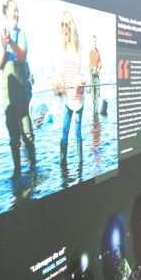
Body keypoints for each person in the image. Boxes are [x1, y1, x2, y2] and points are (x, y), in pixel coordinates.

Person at [0, 0, 36, 175]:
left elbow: (22, 56)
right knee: (14, 138)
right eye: (14, 10)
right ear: (6, 11)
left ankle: (34, 168)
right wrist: (4, 47)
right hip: (8, 98)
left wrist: (11, 42)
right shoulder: (1, 35)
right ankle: (17, 171)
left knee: (27, 134)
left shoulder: (21, 34)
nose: (16, 14)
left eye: (18, 10)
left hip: (22, 95)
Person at [56, 12, 85, 167]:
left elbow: (82, 73)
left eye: (66, 24)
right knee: (65, 129)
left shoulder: (79, 46)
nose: (64, 28)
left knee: (77, 130)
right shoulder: (61, 47)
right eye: (62, 25)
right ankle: (63, 164)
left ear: (71, 26)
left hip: (78, 96)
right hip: (67, 97)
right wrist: (58, 84)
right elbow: (60, 73)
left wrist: (81, 81)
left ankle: (80, 164)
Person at [89, 34, 102, 100]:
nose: (95, 43)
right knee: (92, 86)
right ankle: (93, 100)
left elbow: (100, 61)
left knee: (98, 85)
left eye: (95, 41)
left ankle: (98, 99)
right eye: (93, 41)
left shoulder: (98, 51)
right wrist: (95, 68)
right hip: (92, 70)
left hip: (96, 70)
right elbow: (91, 62)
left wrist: (99, 67)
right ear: (91, 43)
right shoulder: (90, 52)